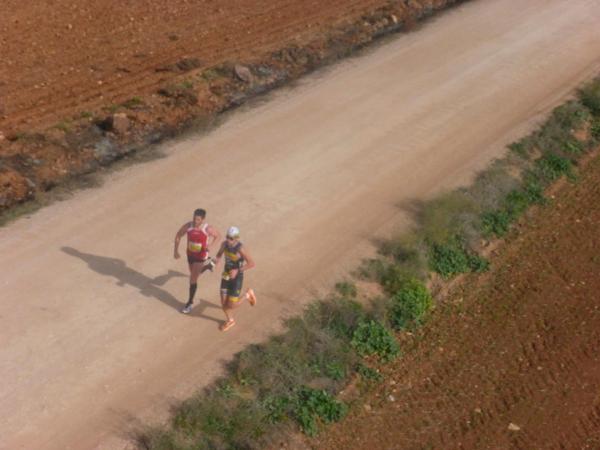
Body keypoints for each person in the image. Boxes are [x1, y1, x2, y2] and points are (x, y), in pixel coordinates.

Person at [174, 208, 221, 314]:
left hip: (201, 256)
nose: (195, 221)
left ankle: (189, 303)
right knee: (194, 275)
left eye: (198, 219)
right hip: (190, 255)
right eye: (194, 218)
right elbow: (178, 235)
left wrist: (211, 246)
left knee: (193, 279)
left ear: (203, 219)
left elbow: (218, 236)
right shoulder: (188, 226)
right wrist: (175, 251)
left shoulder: (207, 229)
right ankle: (209, 264)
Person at [213, 226, 256, 331]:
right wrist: (214, 262)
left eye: (231, 238)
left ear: (236, 238)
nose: (228, 240)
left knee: (231, 305)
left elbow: (251, 263)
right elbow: (218, 255)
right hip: (226, 275)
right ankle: (230, 320)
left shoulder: (240, 249)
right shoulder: (224, 245)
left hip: (237, 278)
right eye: (227, 237)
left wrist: (237, 270)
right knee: (223, 303)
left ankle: (247, 295)